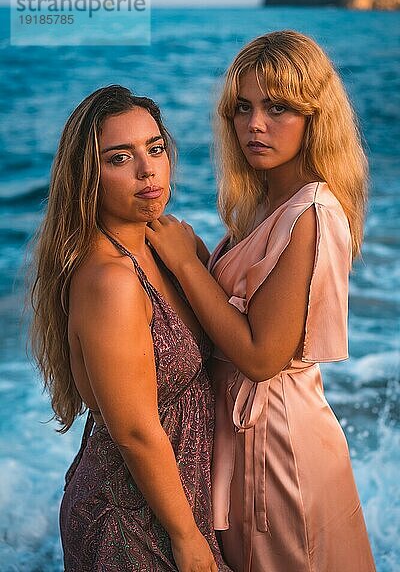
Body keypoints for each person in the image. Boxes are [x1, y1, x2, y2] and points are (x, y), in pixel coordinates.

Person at [145, 31, 376, 572]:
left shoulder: (311, 210)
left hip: (278, 448)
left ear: (314, 116)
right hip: (246, 438)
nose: (255, 125)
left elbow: (260, 356)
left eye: (278, 108)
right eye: (243, 108)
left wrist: (185, 265)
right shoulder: (263, 203)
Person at [30, 85, 232, 571]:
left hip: (178, 502)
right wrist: (187, 539)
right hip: (130, 518)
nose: (148, 170)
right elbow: (137, 430)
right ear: (88, 178)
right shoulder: (111, 280)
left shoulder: (165, 244)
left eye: (155, 148)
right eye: (120, 158)